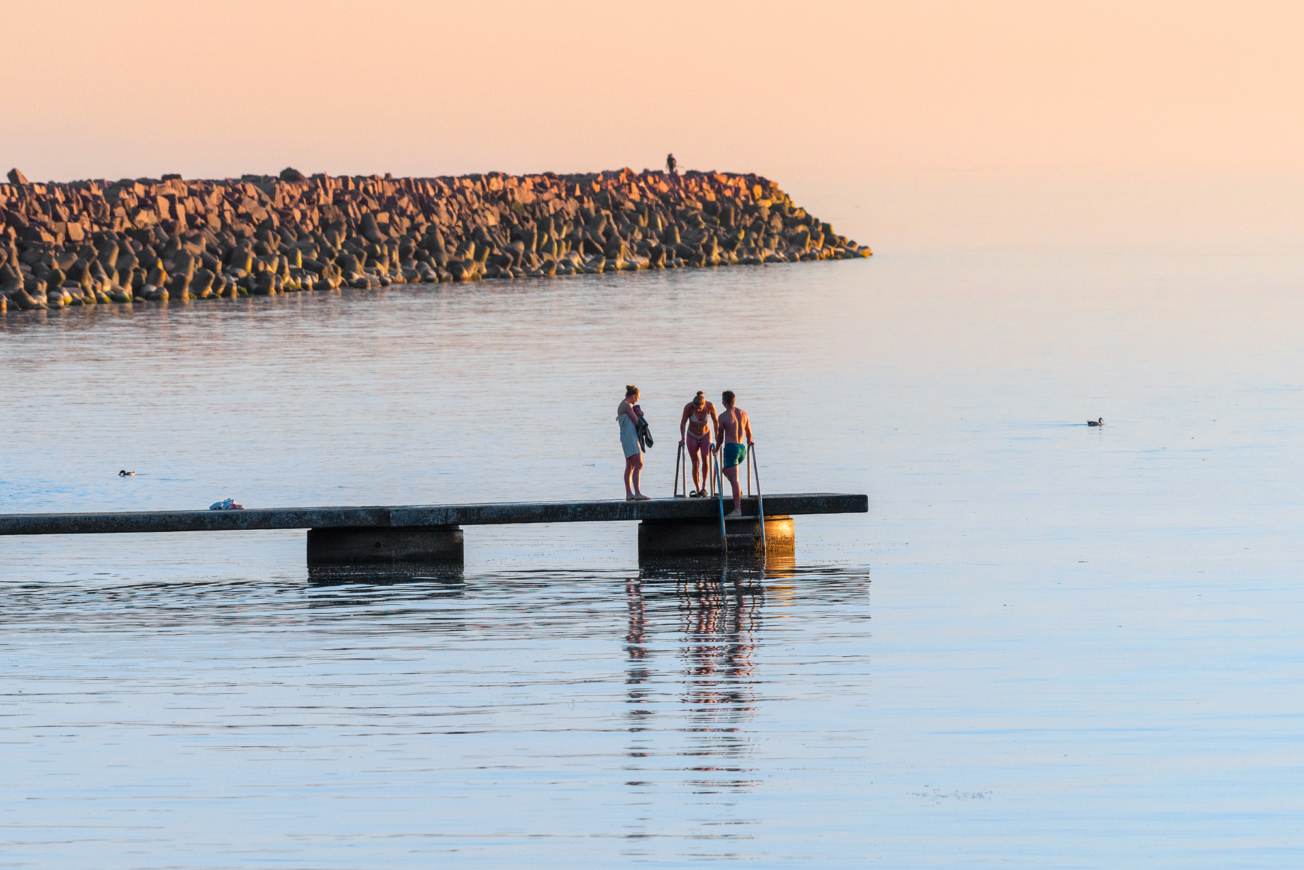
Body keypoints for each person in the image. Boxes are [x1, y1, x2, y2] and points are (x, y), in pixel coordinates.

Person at [717, 390, 753, 517]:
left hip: (731, 448)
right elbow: (749, 431)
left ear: (724, 401)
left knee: (734, 480)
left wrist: (716, 449)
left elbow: (720, 436)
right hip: (741, 448)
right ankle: (738, 493)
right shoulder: (743, 413)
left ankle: (737, 509)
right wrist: (749, 440)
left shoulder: (723, 416)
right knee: (726, 471)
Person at [679, 391, 719, 497]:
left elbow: (715, 421)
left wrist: (717, 435)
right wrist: (682, 438)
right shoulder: (688, 407)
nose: (698, 410)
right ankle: (697, 489)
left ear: (704, 404)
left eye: (699, 408)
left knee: (705, 458)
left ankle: (704, 486)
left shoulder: (710, 406)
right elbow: (683, 422)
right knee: (695, 462)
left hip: (705, 434)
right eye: (696, 408)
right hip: (692, 434)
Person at [618, 385, 650, 501]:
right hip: (630, 437)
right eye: (637, 398)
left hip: (626, 437)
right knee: (639, 464)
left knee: (630, 465)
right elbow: (636, 422)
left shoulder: (624, 404)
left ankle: (629, 493)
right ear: (633, 396)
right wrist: (640, 413)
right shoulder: (627, 405)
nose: (637, 401)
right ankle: (637, 493)